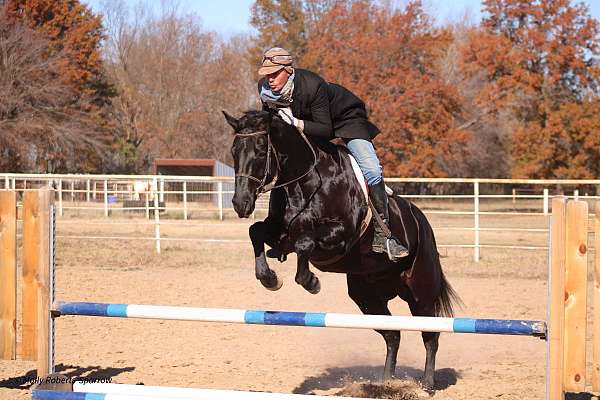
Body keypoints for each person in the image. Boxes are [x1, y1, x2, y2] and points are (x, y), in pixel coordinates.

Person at [257, 47, 408, 261]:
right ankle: (280, 231)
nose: (269, 79)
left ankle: (384, 236)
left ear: (289, 70)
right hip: (309, 126)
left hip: (345, 121)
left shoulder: (312, 85)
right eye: (266, 74)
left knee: (372, 170)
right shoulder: (264, 90)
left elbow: (326, 130)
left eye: (274, 73)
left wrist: (297, 123)